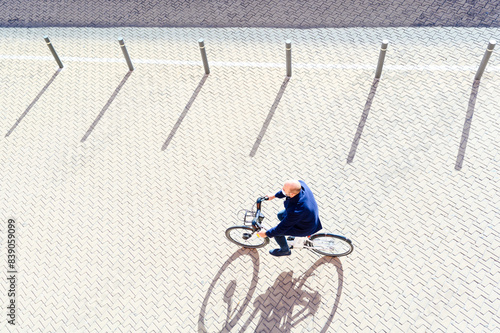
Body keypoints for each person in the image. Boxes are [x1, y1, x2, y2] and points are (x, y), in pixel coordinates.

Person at [257, 179, 323, 257]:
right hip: (308, 216)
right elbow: (285, 192)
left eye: (284, 190)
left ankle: (285, 250)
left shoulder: (296, 210)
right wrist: (274, 195)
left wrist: (266, 234)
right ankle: (292, 235)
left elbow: (281, 228)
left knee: (277, 234)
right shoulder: (301, 184)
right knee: (280, 215)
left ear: (291, 194)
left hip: (306, 227)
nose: (282, 191)